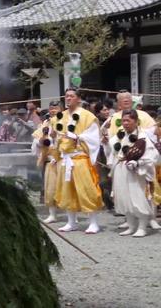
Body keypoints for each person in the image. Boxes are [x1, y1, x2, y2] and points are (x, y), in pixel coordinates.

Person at [105, 91, 161, 229]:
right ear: (118, 103)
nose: (126, 101)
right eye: (122, 99)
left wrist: (139, 162)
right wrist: (106, 142)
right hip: (122, 164)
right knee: (125, 196)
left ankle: (150, 219)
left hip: (139, 166)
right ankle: (130, 223)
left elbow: (154, 138)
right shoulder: (114, 119)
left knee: (141, 195)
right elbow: (113, 144)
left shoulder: (144, 118)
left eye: (128, 99)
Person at [54, 88, 103, 234]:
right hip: (66, 157)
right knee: (67, 190)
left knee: (87, 189)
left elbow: (94, 137)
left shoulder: (87, 116)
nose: (68, 98)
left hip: (80, 156)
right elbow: (57, 135)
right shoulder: (60, 116)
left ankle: (93, 222)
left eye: (71, 96)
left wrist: (78, 137)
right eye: (66, 96)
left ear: (78, 99)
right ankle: (71, 221)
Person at [33, 100, 62, 223]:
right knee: (50, 188)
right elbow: (37, 139)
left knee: (66, 187)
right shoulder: (45, 123)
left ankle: (73, 216)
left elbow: (68, 140)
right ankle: (52, 214)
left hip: (63, 158)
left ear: (61, 109)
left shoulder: (65, 121)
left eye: (55, 108)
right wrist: (40, 142)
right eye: (51, 108)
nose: (53, 110)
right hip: (49, 158)